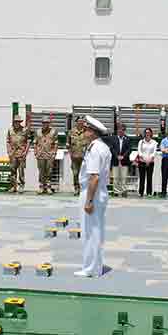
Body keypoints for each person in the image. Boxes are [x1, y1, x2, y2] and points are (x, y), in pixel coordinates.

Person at [75, 115, 112, 278]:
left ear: (93, 131)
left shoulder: (95, 148)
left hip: (93, 193)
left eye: (86, 129)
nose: (84, 132)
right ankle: (93, 266)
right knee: (95, 230)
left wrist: (89, 200)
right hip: (98, 192)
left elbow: (94, 176)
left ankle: (91, 268)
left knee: (91, 231)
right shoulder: (102, 147)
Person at [34, 117, 58, 194]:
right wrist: (36, 152)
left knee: (49, 171)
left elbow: (56, 143)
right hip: (40, 154)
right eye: (44, 123)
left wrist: (54, 153)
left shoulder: (53, 131)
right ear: (42, 123)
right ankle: (41, 186)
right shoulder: (38, 132)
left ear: (49, 124)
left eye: (47, 123)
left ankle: (48, 187)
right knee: (41, 171)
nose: (45, 124)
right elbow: (35, 143)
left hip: (50, 154)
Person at [66, 118, 89, 196]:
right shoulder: (71, 132)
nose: (80, 123)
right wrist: (70, 154)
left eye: (82, 122)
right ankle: (76, 188)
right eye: (79, 122)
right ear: (76, 123)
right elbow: (68, 145)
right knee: (75, 173)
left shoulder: (87, 132)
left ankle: (83, 189)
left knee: (84, 174)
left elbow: (90, 145)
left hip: (84, 157)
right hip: (74, 157)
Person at [6, 115, 29, 193]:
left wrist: (26, 152)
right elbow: (8, 141)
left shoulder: (24, 130)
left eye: (18, 122)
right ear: (14, 122)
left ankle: (21, 186)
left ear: (20, 122)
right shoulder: (10, 130)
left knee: (21, 171)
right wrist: (9, 151)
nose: (17, 123)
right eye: (16, 122)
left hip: (21, 153)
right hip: (13, 154)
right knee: (12, 170)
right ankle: (13, 186)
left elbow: (28, 141)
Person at [112, 123, 132, 197]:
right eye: (120, 129)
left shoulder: (127, 139)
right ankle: (116, 192)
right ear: (117, 130)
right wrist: (117, 156)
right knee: (116, 177)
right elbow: (112, 148)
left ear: (124, 131)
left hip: (124, 161)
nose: (121, 131)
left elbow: (129, 149)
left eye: (123, 130)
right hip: (115, 161)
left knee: (124, 178)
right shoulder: (113, 138)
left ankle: (124, 191)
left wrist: (123, 156)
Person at [136, 127, 157, 197]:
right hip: (142, 161)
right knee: (142, 178)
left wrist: (149, 160)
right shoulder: (141, 142)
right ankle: (140, 192)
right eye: (146, 132)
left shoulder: (154, 142)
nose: (147, 134)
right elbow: (139, 152)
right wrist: (144, 160)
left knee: (149, 177)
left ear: (151, 133)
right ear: (144, 133)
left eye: (149, 132)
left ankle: (149, 192)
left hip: (150, 162)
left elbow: (154, 152)